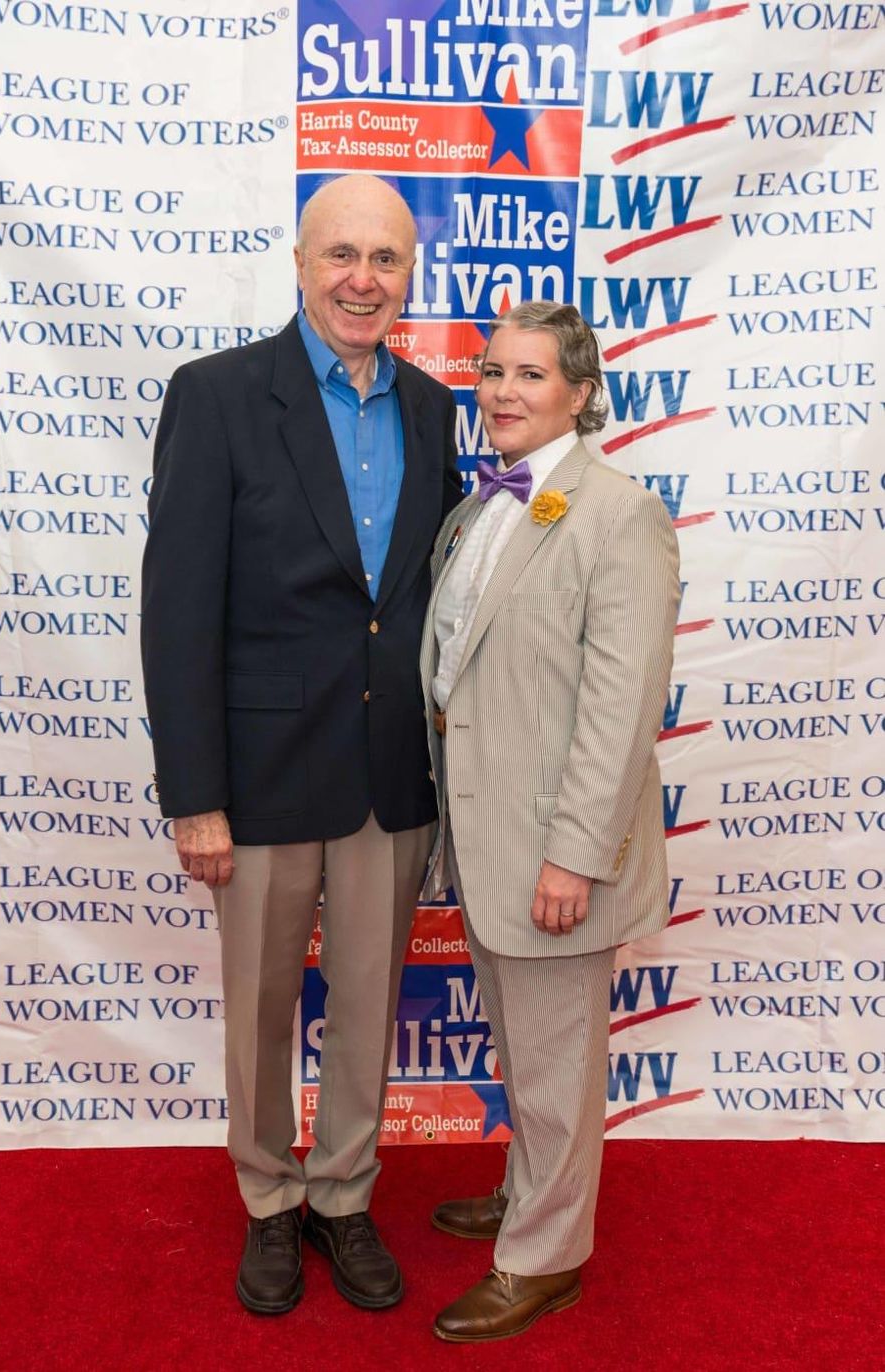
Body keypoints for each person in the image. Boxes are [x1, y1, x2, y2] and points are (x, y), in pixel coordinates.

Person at [140, 173, 463, 1316]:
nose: (361, 280)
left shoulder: (431, 409)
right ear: (299, 261)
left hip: (387, 777)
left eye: (385, 259)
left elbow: (428, 600)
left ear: (409, 276)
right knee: (260, 1006)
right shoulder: (218, 394)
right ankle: (270, 1199)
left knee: (369, 1005)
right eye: (341, 255)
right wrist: (195, 796)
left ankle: (342, 1194)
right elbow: (178, 609)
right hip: (261, 775)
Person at [419, 301, 680, 1343]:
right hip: (488, 838)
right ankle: (532, 1191)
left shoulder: (620, 514)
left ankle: (545, 1257)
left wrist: (575, 854)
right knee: (529, 1051)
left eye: (530, 375)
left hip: (552, 850)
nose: (503, 392)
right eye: (492, 372)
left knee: (559, 1062)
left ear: (581, 392)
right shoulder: (481, 506)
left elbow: (622, 706)